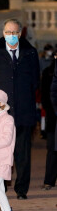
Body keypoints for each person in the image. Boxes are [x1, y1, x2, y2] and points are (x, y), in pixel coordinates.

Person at [0, 18, 40, 200]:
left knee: (22, 152)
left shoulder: (30, 53)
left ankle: (21, 189)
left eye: (14, 32)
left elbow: (35, 81)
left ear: (20, 33)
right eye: (8, 32)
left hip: (24, 111)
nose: (11, 36)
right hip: (2, 112)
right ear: (3, 34)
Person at [41, 57, 57, 190]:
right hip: (53, 117)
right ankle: (49, 180)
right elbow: (45, 96)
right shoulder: (48, 72)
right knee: (52, 149)